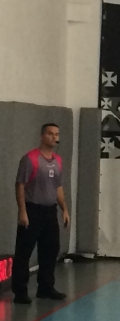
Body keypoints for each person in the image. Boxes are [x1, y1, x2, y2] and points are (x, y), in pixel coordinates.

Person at [12, 123, 70, 304]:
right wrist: (23, 212)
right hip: (32, 210)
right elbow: (20, 185)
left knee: (51, 249)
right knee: (24, 252)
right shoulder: (30, 159)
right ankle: (20, 292)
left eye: (57, 134)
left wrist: (64, 209)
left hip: (49, 211)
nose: (54, 137)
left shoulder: (58, 161)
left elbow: (58, 187)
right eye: (50, 134)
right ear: (42, 136)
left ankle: (45, 287)